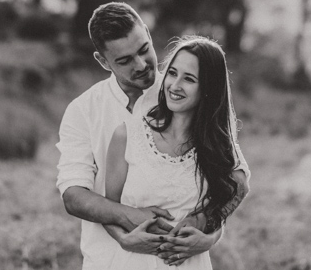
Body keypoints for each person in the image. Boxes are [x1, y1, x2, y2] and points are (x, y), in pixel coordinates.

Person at [56, 3, 249, 269]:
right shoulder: (84, 110)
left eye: (144, 49)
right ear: (103, 61)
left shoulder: (183, 92)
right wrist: (128, 224)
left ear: (146, 32)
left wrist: (210, 235)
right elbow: (74, 195)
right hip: (106, 259)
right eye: (124, 60)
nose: (141, 64)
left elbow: (233, 181)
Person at [103, 35, 245, 269]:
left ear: (208, 88)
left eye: (189, 79)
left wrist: (208, 240)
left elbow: (228, 200)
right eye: (172, 73)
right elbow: (109, 211)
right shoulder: (127, 134)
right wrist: (125, 240)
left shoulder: (217, 146)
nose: (175, 85)